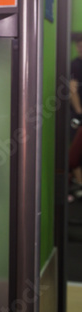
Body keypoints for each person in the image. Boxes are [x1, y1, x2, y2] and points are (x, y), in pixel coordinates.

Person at [70, 37, 82, 200]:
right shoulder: (75, 64)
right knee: (76, 150)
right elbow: (72, 89)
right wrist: (79, 111)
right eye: (79, 46)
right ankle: (80, 184)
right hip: (78, 116)